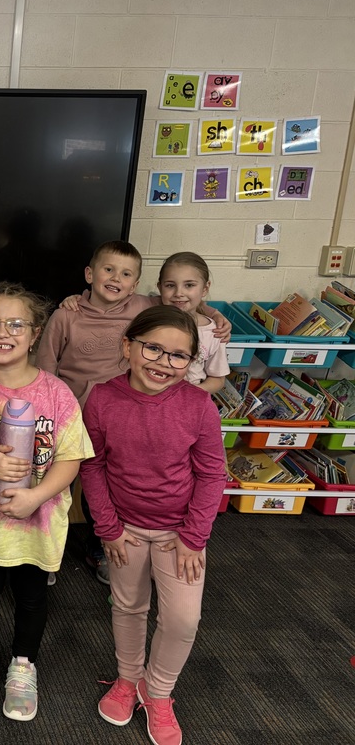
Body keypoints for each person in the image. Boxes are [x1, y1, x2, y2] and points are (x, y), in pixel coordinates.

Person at [36, 241, 230, 585]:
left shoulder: (142, 306)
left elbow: (184, 302)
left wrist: (216, 317)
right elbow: (46, 368)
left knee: (105, 483)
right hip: (70, 416)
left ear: (137, 284)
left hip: (118, 416)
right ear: (90, 274)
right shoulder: (68, 312)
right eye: (108, 270)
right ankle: (44, 553)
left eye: (126, 274)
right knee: (56, 486)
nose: (116, 278)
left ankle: (100, 548)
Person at [81, 305, 227, 745]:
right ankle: (128, 680)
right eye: (153, 349)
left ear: (191, 362)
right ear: (129, 346)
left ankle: (157, 692)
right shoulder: (103, 398)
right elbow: (93, 466)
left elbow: (212, 474)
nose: (164, 363)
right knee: (128, 606)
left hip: (179, 534)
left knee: (183, 619)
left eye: (178, 356)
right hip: (123, 529)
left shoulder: (199, 405)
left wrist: (192, 537)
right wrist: (108, 529)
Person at [0, 283, 93, 722]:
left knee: (32, 597)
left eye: (16, 324)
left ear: (35, 334)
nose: (2, 332)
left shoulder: (56, 393)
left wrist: (36, 494)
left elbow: (70, 459)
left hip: (39, 523)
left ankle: (22, 664)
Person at [157, 252, 229, 395]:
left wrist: (189, 394)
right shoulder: (151, 325)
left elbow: (218, 379)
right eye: (170, 285)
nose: (179, 293)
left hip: (189, 402)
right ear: (160, 287)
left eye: (189, 285)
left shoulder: (214, 332)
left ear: (205, 288)